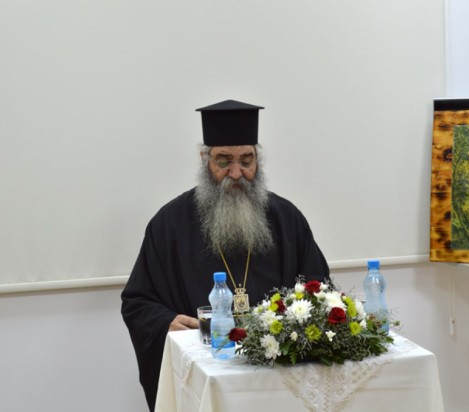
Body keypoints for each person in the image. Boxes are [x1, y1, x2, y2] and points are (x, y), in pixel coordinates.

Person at [121, 99, 330, 411]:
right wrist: (165, 322)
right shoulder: (169, 224)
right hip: (206, 379)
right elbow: (137, 302)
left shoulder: (287, 220)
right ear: (205, 160)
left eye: (246, 160)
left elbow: (320, 291)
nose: (236, 173)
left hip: (279, 379)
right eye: (224, 161)